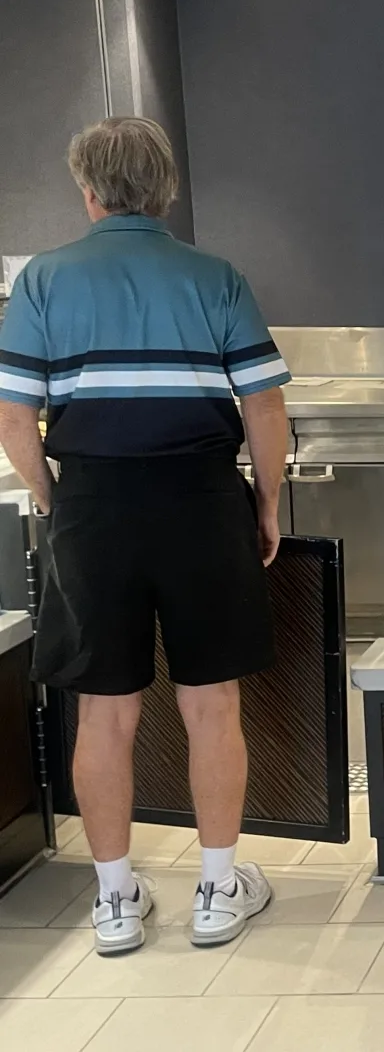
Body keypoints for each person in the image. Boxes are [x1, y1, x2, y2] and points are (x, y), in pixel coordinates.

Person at [0, 117, 291, 955]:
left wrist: (54, 497)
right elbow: (264, 406)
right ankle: (218, 890)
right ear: (167, 190)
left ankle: (116, 900)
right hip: (202, 499)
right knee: (212, 702)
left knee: (104, 710)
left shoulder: (43, 280)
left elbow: (14, 415)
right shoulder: (215, 276)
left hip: (93, 506)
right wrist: (266, 503)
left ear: (87, 190)